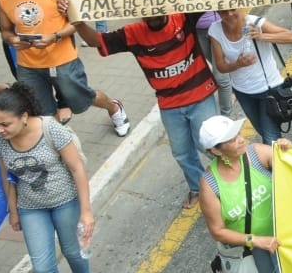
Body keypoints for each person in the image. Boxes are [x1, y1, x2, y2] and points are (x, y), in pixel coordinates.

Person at [73, 13, 218, 209]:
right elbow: (96, 41)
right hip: (169, 105)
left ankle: (239, 174)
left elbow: (212, 2)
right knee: (182, 153)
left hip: (201, 96)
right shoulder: (132, 33)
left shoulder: (184, 17)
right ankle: (198, 188)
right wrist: (78, 22)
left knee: (213, 144)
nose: (152, 16)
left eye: (157, 11)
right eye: (147, 14)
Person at [0, 83, 98, 273]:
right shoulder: (0, 142)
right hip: (31, 208)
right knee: (41, 265)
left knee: (72, 251)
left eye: (5, 124)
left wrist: (86, 211)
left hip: (65, 201)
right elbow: (7, 177)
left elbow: (77, 168)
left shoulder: (51, 129)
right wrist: (13, 210)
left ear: (24, 116)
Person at [0, 0, 129, 135]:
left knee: (83, 98)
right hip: (28, 65)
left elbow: (78, 21)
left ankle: (113, 107)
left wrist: (55, 36)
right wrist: (13, 40)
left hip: (62, 60)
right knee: (41, 111)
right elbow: (6, 31)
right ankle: (59, 141)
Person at [197, 116, 292, 273]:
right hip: (259, 247)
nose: (241, 139)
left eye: (238, 133)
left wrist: (287, 152)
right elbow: (217, 231)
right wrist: (256, 241)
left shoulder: (256, 154)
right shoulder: (210, 185)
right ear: (216, 151)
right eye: (232, 139)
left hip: (289, 234)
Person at [206, 7, 292, 144]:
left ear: (241, 6)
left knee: (270, 138)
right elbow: (221, 66)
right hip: (243, 92)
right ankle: (281, 149)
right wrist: (238, 64)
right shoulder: (215, 30)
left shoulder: (256, 22)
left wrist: (262, 36)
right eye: (223, 11)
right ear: (217, 12)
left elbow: (291, 37)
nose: (229, 14)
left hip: (268, 90)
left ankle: (276, 154)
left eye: (232, 9)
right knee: (264, 131)